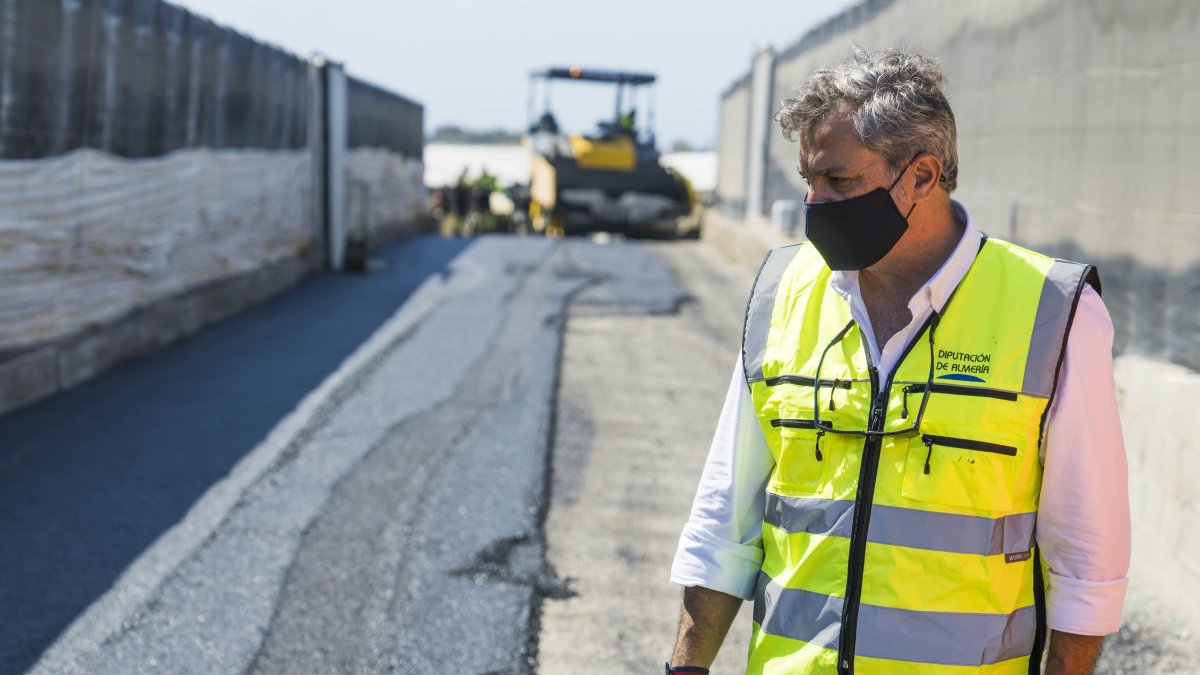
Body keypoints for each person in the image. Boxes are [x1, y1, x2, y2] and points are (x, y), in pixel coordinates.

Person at [667, 47, 1129, 675]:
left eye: (840, 181)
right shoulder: (783, 292)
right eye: (808, 179)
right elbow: (725, 517)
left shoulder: (1054, 311)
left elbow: (1086, 560)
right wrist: (685, 667)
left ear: (921, 176)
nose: (815, 202)